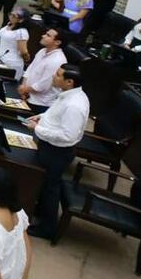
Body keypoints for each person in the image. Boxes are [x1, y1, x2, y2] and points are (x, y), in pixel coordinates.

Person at [24, 65, 89, 239]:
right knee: (44, 185)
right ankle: (38, 213)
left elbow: (67, 136)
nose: (54, 76)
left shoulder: (75, 105)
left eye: (58, 75)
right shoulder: (68, 94)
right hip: (49, 147)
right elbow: (55, 114)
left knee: (50, 189)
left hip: (57, 152)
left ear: (70, 81)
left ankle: (47, 228)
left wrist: (38, 129)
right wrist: (42, 118)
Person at [18, 28, 66, 108]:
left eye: (48, 35)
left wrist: (24, 90)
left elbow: (43, 86)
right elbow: (29, 70)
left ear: (57, 42)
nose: (43, 36)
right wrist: (23, 87)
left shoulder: (57, 60)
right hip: (27, 95)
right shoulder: (42, 51)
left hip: (40, 103)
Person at [0, 8, 30, 80]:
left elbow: (23, 52)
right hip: (2, 58)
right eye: (11, 14)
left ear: (21, 20)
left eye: (14, 16)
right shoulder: (9, 24)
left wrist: (27, 59)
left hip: (12, 63)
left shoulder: (21, 32)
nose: (11, 16)